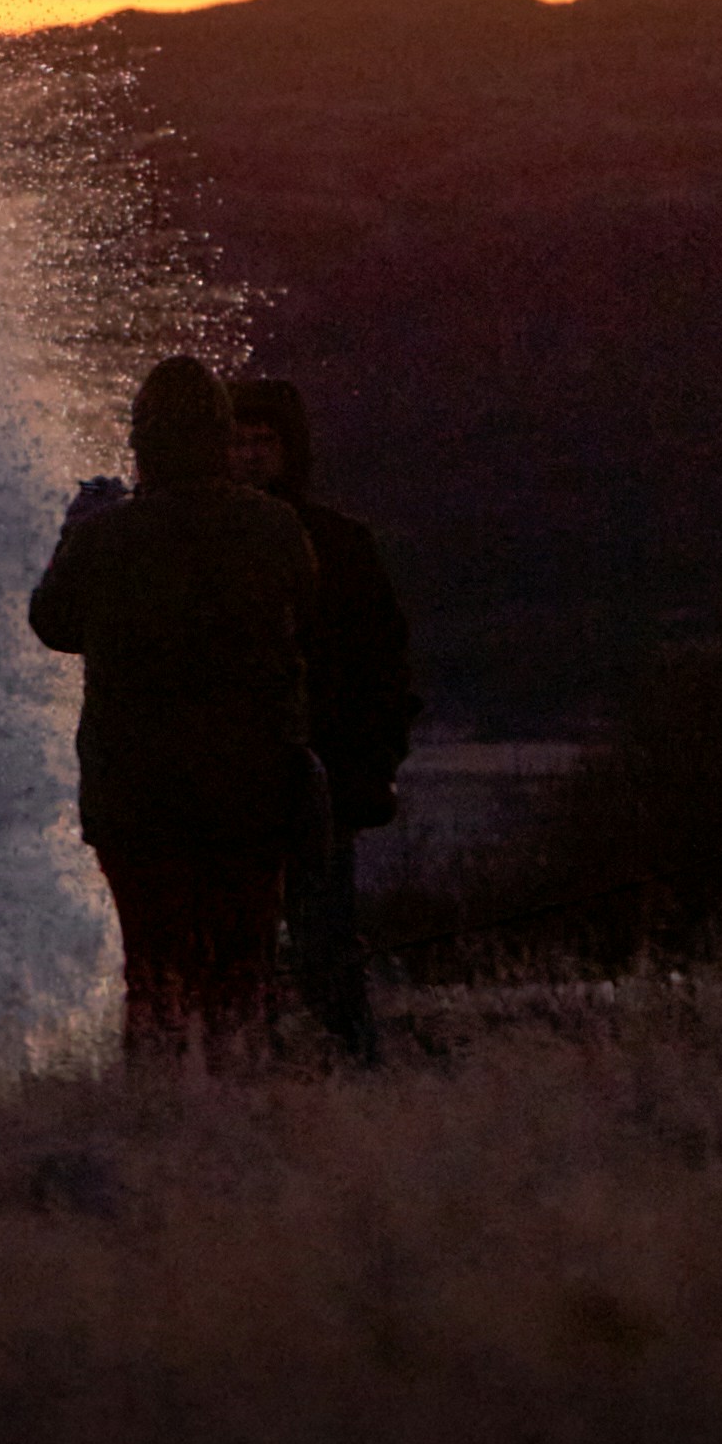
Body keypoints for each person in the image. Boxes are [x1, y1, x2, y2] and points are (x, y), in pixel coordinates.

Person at [28, 356, 315, 1057]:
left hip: (138, 798)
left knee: (155, 977)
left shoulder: (107, 537)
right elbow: (304, 602)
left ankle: (156, 1129)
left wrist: (81, 527)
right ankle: (238, 1125)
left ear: (143, 438)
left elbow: (53, 623)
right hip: (251, 791)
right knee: (239, 975)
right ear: (218, 434)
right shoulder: (273, 527)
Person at [231, 372, 418, 1061]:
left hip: (323, 776)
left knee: (323, 940)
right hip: (238, 777)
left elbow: (384, 662)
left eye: (265, 441)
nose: (252, 455)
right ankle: (292, 1065)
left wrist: (374, 762)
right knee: (250, 948)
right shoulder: (215, 549)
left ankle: (348, 1059)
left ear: (291, 450)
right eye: (239, 441)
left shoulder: (341, 545)